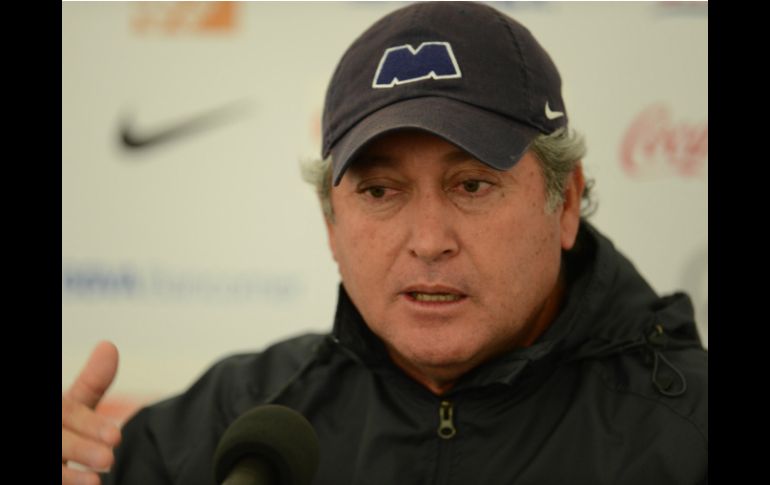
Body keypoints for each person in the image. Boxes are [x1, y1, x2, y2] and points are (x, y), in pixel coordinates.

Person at [62, 2, 708, 484]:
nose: (428, 241)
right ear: (331, 224)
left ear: (564, 203)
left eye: (472, 185)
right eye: (379, 191)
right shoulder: (231, 420)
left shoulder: (688, 435)